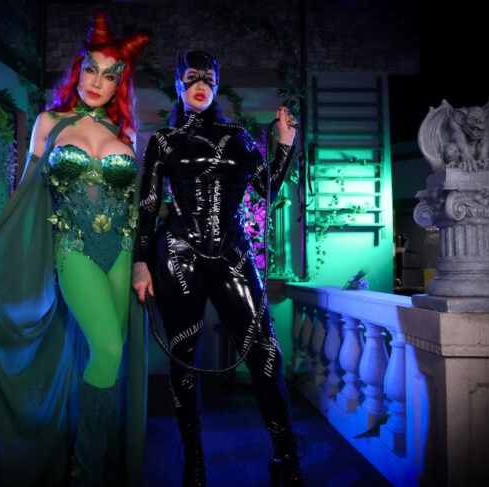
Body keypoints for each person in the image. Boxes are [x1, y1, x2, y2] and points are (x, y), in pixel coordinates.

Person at [0, 13, 149, 487]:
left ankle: (95, 459)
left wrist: (142, 261)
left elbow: (138, 208)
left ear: (120, 83)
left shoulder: (126, 134)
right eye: (91, 69)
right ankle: (86, 469)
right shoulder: (49, 122)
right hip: (74, 247)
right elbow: (25, 191)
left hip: (121, 251)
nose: (97, 81)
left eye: (109, 75)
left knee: (112, 357)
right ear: (78, 69)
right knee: (107, 347)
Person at [132, 51, 304, 487]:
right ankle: (193, 461)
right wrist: (140, 261)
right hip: (178, 252)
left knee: (265, 349)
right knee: (183, 355)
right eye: (191, 78)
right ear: (178, 84)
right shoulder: (164, 141)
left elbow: (266, 188)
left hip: (232, 252)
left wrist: (285, 143)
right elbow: (149, 204)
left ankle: (286, 457)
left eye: (208, 78)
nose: (200, 85)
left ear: (216, 84)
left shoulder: (239, 137)